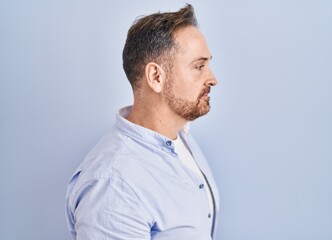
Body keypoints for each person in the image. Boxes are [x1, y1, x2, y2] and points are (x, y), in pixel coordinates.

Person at [65, 4, 219, 240]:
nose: (212, 79)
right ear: (156, 77)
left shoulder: (181, 135)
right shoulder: (113, 187)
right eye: (199, 66)